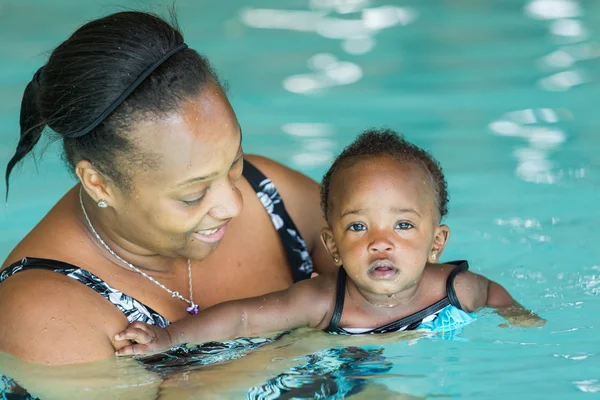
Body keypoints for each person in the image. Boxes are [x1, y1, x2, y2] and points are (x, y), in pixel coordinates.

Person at [0, 10, 336, 365]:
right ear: (99, 184)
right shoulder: (44, 316)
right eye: (193, 194)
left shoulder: (270, 195)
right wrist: (305, 333)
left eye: (234, 162)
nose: (234, 204)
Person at [114, 130, 545, 355]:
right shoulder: (323, 300)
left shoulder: (456, 289)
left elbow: (491, 294)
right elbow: (243, 319)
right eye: (358, 228)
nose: (381, 243)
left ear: (437, 243)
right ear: (332, 246)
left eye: (404, 227)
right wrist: (169, 339)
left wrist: (517, 316)